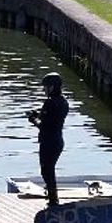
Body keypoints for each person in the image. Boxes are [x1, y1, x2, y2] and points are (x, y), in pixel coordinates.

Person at [28, 74, 70, 207]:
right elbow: (52, 120)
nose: (44, 90)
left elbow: (44, 125)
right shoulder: (63, 101)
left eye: (45, 87)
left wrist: (32, 119)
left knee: (46, 170)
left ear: (52, 87)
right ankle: (53, 197)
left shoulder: (50, 102)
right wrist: (38, 115)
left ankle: (53, 200)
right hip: (58, 140)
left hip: (48, 141)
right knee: (49, 169)